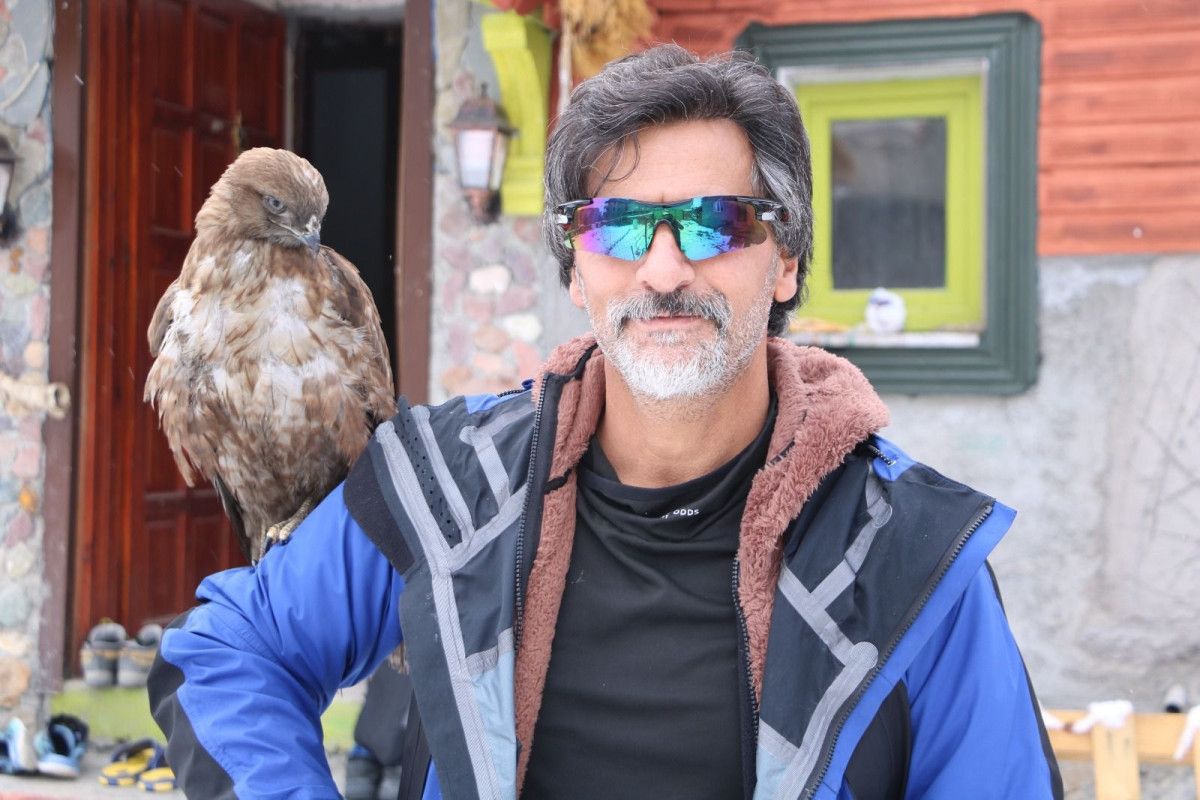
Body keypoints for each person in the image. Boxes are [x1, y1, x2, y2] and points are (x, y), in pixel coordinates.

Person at [148, 44, 1062, 800]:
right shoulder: (446, 490)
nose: (663, 270)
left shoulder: (912, 561)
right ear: (576, 269)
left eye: (715, 223)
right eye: (618, 226)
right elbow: (226, 654)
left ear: (784, 259)